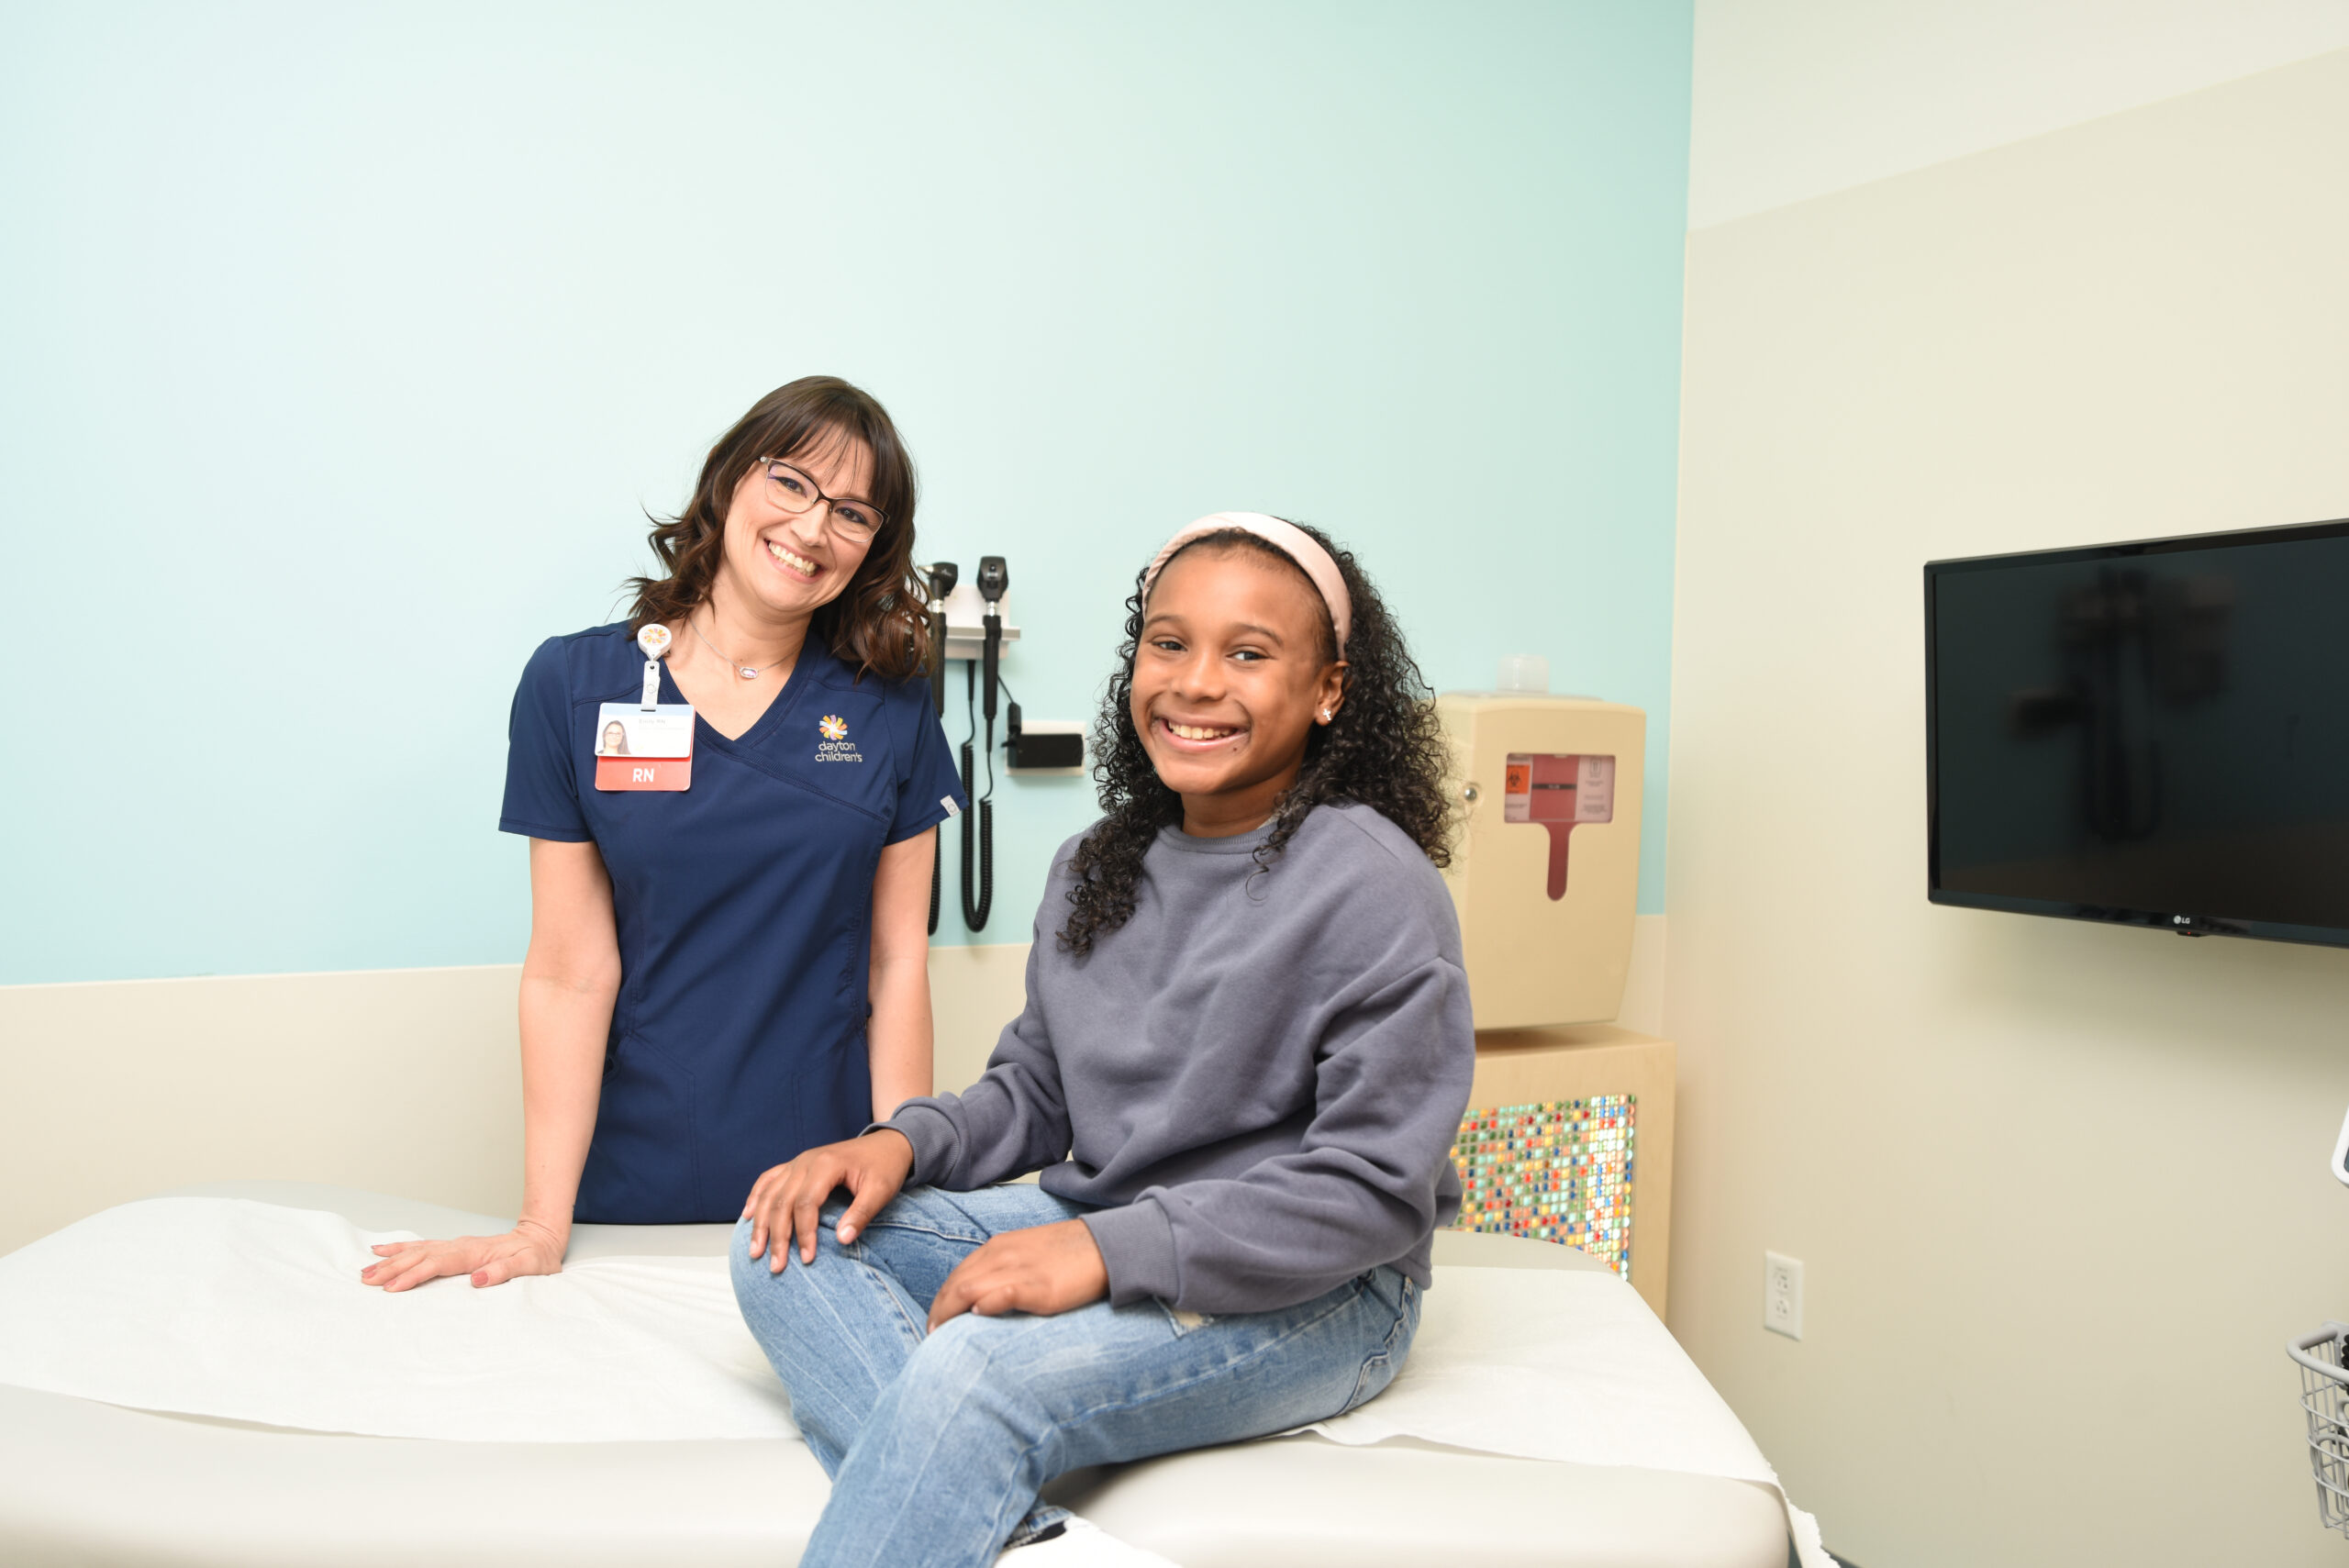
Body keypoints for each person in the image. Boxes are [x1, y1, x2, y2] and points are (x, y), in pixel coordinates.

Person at [731, 514, 1472, 1566]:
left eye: (1248, 653)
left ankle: (962, 1457)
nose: (1196, 681)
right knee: (780, 1233)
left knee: (975, 1372)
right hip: (1125, 1212)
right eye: (1168, 643)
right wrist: (895, 1143)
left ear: (1329, 690)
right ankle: (1003, 1517)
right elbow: (1036, 1090)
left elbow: (1367, 1193)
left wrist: (1096, 1248)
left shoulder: (1373, 883)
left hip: (1324, 1289)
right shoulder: (1095, 864)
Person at [362, 376, 963, 1293]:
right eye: (791, 482)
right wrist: (539, 1225)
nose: (811, 528)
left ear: (872, 548)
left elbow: (897, 963)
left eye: (852, 512)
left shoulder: (888, 704)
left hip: (823, 1199)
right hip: (629, 1186)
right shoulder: (573, 685)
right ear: (728, 482)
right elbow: (569, 971)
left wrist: (899, 1183)